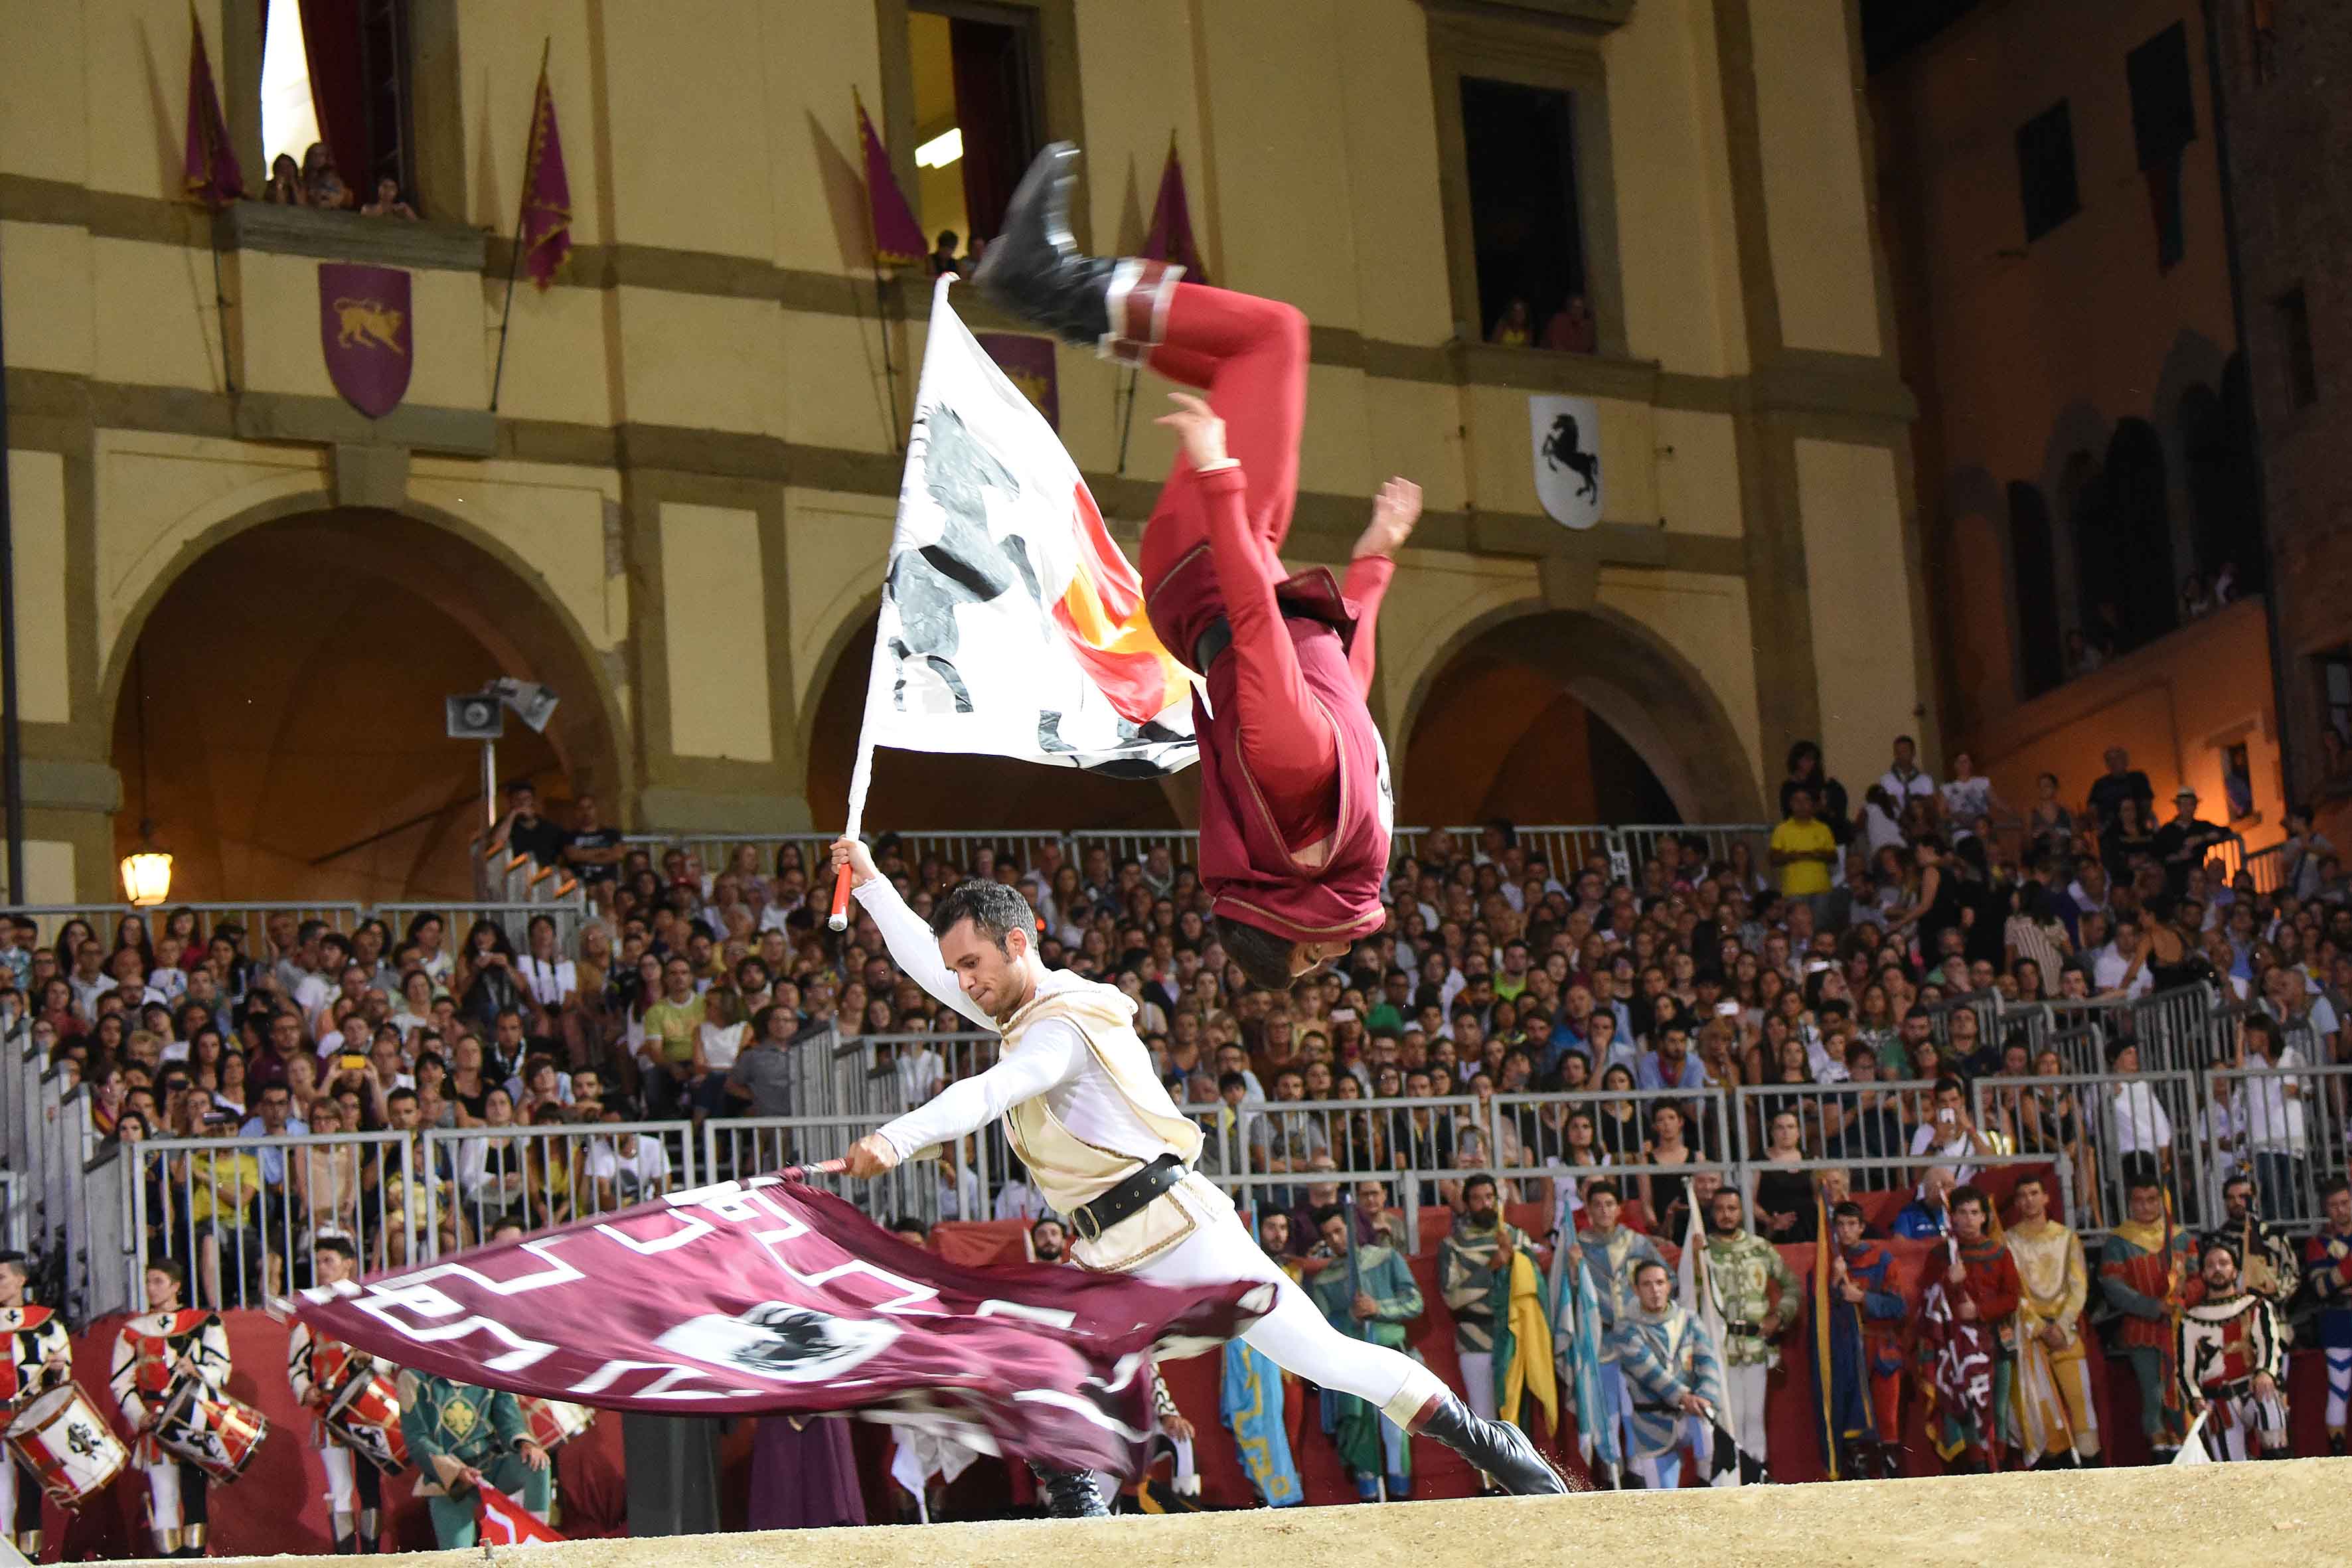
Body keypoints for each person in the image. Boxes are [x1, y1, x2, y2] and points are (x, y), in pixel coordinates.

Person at [830, 844, 1563, 1511]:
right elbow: (927, 966)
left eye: (972, 967)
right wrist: (871, 884)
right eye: (959, 969)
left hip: (1181, 1233)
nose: (962, 983)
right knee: (1044, 1352)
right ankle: (1081, 1512)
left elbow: (992, 1093)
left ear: (1018, 944)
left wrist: (897, 1139)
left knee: (1326, 1357)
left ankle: (1492, 1445)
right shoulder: (1016, 1003)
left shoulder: (1062, 1023)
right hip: (1109, 1246)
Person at [975, 143, 1417, 993]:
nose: (1338, 957)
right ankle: (1059, 292)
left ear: (1304, 928)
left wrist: (1220, 479)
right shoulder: (1327, 819)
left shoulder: (1295, 788)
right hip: (1227, 568)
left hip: (1219, 567)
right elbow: (1344, 682)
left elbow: (1260, 632)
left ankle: (1045, 283)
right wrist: (1375, 558)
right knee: (1237, 354)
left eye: (1317, 958)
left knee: (1274, 338)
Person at [111, 1259, 232, 1556]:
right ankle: (169, 1562)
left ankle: (194, 1560)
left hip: (195, 1420)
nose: (151, 1288)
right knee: (164, 1497)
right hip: (156, 1424)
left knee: (194, 1496)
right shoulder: (133, 1331)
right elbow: (121, 1382)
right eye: (149, 1281)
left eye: (158, 1281)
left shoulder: (204, 1323)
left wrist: (199, 1369)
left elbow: (222, 1369)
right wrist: (140, 1415)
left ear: (176, 1286)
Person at [1302, 1204, 1423, 1501]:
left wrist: (1379, 1308)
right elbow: (1322, 1329)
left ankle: (1401, 1505)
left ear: (1352, 1228)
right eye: (1328, 1236)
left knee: (1395, 1434)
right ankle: (1370, 1506)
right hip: (1353, 1367)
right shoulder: (1323, 1280)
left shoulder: (1386, 1257)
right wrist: (1349, 1320)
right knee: (1358, 1433)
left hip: (1391, 1355)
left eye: (1339, 1231)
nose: (1335, 1240)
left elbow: (1415, 1302)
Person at [287, 1237, 390, 1552]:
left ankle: (372, 1556)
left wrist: (370, 1359)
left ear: (349, 1264)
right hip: (328, 1413)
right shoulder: (310, 1314)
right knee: (340, 1487)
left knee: (370, 1485)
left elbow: (391, 1355)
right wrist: (307, 1390)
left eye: (328, 1260)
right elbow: (296, 1367)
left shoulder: (369, 1306)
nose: (322, 1268)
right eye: (318, 1262)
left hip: (367, 1410)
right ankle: (345, 1556)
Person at [1698, 1188, 1796, 1484]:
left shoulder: (1759, 1248)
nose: (1726, 1215)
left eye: (1732, 1208)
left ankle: (1757, 1481)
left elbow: (1792, 1286)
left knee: (1754, 1418)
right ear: (1712, 1212)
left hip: (1755, 1346)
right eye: (1720, 1209)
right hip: (1720, 1348)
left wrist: (1778, 1317)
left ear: (1742, 1212)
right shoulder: (1703, 1250)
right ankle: (1728, 1482)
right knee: (1728, 1419)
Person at [2098, 1170, 2195, 1460]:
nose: (2146, 1207)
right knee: (2153, 1396)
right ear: (2130, 1203)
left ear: (2161, 1201)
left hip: (2180, 1327)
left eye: (2152, 1200)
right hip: (2142, 1329)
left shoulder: (2180, 1238)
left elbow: (2198, 1276)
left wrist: (2183, 1297)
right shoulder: (2118, 1241)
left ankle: (2187, 1450)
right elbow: (2112, 1286)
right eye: (2139, 1201)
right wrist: (2153, 1307)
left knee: (2182, 1391)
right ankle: (2161, 1455)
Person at [2004, 1172, 2099, 1469]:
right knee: (2042, 1413)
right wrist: (2041, 1327)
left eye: (2034, 1193)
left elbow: (2079, 1285)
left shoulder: (2067, 1238)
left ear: (2046, 1198)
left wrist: (2062, 1325)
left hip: (2065, 1332)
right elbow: (2014, 1291)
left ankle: (2094, 1475)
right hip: (2031, 1335)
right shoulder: (2009, 1241)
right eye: (2022, 1196)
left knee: (2082, 1409)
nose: (2029, 1201)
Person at [396, 1370, 549, 1549]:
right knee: (458, 1558)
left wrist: (526, 1444)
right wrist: (456, 1471)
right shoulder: (414, 1376)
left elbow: (509, 1419)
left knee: (537, 1463)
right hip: (447, 1483)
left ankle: (538, 1546)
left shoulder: (489, 1367)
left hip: (491, 1467)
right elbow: (416, 1439)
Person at [1924, 1184, 2018, 1472]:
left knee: (1997, 1410)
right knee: (1966, 1410)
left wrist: (1979, 1311)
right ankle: (1976, 1469)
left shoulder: (1999, 1253)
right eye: (1961, 1213)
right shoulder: (1941, 1256)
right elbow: (1930, 1300)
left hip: (1995, 1341)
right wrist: (1948, 1282)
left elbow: (2012, 1298)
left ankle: (1997, 1468)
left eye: (1974, 1213)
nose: (1967, 1219)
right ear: (1952, 1218)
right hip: (1959, 1346)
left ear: (1984, 1218)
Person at [1574, 1179, 1662, 1485]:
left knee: (1637, 1412)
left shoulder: (1637, 1243)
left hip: (1637, 1343)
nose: (1604, 1210)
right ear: (1587, 1209)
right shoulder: (1578, 1247)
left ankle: (1639, 1480)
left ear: (1620, 1208)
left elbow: (1666, 1279)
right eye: (1597, 1205)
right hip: (1600, 1344)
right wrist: (1574, 1270)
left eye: (1610, 1204)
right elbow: (1566, 1297)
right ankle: (1612, 1481)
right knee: (1607, 1414)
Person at [1608, 1259, 1725, 1490]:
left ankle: (1708, 1484)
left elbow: (1708, 1361)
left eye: (1660, 1283)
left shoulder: (1689, 1319)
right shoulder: (1626, 1328)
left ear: (1669, 1286)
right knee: (1662, 1502)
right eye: (1647, 1284)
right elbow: (1650, 1372)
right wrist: (1684, 1397)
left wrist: (1706, 1396)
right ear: (1636, 1289)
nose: (1655, 1290)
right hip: (1653, 1425)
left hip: (1694, 1413)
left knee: (1710, 1437)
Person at [1437, 1174, 1540, 1429]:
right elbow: (1452, 1297)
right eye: (1476, 1199)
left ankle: (1518, 1470)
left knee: (1517, 1414)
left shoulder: (1517, 1238)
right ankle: (1489, 1471)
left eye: (1488, 1197)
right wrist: (1491, 1268)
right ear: (1467, 1204)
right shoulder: (1453, 1245)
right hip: (1475, 1340)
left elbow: (1535, 1286)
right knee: (1484, 1421)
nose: (1484, 1204)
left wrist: (1516, 1258)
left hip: (1514, 1335)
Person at [1818, 1199, 1907, 1479]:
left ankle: (1892, 1486)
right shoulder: (1827, 1263)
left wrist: (1863, 1298)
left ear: (1862, 1228)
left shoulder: (1882, 1259)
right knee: (1851, 1422)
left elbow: (1898, 1307)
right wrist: (1833, 1284)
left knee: (1886, 1420)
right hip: (1846, 1354)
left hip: (1880, 1351)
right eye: (1840, 1225)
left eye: (1852, 1225)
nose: (1846, 1231)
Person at [2176, 1238, 2287, 1462]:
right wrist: (2196, 1399)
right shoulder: (2191, 1320)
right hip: (2218, 1402)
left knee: (2270, 1408)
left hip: (2253, 1390)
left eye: (2223, 1263)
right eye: (2210, 1265)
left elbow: (2268, 1343)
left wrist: (2265, 1372)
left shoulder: (2255, 1306)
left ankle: (2280, 1478)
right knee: (2232, 1473)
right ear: (2203, 1275)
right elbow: (2186, 1372)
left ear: (2235, 1271)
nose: (2217, 1269)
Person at [0, 1251, 72, 1558]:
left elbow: (65, 1372)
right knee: (2, 1495)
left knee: (31, 1494)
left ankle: (31, 1560)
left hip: (32, 1417)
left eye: (2, 1277)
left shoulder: (46, 1321)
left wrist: (58, 1368)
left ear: (21, 1279)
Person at [2301, 1175, 2352, 1455]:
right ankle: (2339, 1459)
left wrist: (2340, 1274)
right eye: (2334, 1205)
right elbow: (2321, 1287)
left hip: (2338, 1315)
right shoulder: (2317, 1243)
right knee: (2339, 1390)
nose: (2341, 1210)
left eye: (2345, 1203)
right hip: (2337, 1322)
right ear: (2325, 1208)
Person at [1769, 787, 1838, 921]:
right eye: (1797, 801)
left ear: (1812, 804)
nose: (1801, 805)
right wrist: (1791, 857)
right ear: (1791, 805)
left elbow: (1834, 857)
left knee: (1820, 928)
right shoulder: (1782, 830)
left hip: (1821, 889)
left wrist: (1819, 855)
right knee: (1798, 927)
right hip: (1794, 890)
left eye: (1806, 800)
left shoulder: (1823, 828)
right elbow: (1773, 859)